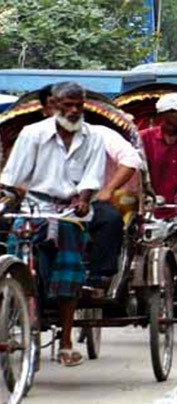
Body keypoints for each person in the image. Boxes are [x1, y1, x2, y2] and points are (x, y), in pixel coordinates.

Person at [0, 82, 106, 367]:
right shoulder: (32, 134)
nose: (73, 111)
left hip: (70, 210)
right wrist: (12, 195)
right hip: (34, 206)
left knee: (68, 274)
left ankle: (67, 341)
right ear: (51, 106)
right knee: (14, 256)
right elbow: (12, 177)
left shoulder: (93, 137)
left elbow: (93, 177)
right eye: (66, 105)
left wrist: (84, 199)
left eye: (78, 105)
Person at [37, 85, 140, 288]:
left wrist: (108, 189)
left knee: (110, 220)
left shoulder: (100, 134)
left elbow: (130, 160)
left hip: (89, 203)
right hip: (43, 205)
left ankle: (97, 278)